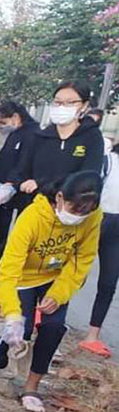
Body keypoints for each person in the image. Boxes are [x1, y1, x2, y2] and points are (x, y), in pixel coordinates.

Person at [0, 171, 103, 412]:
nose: (79, 217)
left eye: (86, 212)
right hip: (24, 277)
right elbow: (9, 268)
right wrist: (12, 313)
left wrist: (60, 293)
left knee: (54, 327)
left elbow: (82, 259)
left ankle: (32, 386)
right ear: (60, 197)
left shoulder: (93, 217)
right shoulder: (32, 216)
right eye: (75, 209)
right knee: (22, 325)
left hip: (56, 278)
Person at [0, 101, 39, 279]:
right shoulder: (15, 134)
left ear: (16, 117)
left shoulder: (34, 134)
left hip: (22, 191)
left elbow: (26, 164)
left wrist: (12, 184)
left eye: (3, 122)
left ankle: (13, 271)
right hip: (3, 190)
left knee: (20, 234)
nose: (1, 127)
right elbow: (2, 159)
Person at [16, 82, 104, 199]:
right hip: (35, 206)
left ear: (84, 105)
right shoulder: (40, 136)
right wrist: (13, 185)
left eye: (70, 103)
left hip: (69, 206)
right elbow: (22, 170)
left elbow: (88, 176)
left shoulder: (92, 137)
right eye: (57, 102)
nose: (62, 107)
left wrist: (41, 183)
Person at [80, 143, 119, 357]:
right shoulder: (108, 160)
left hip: (117, 231)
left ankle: (93, 335)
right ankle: (44, 316)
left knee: (109, 282)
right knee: (77, 274)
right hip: (98, 220)